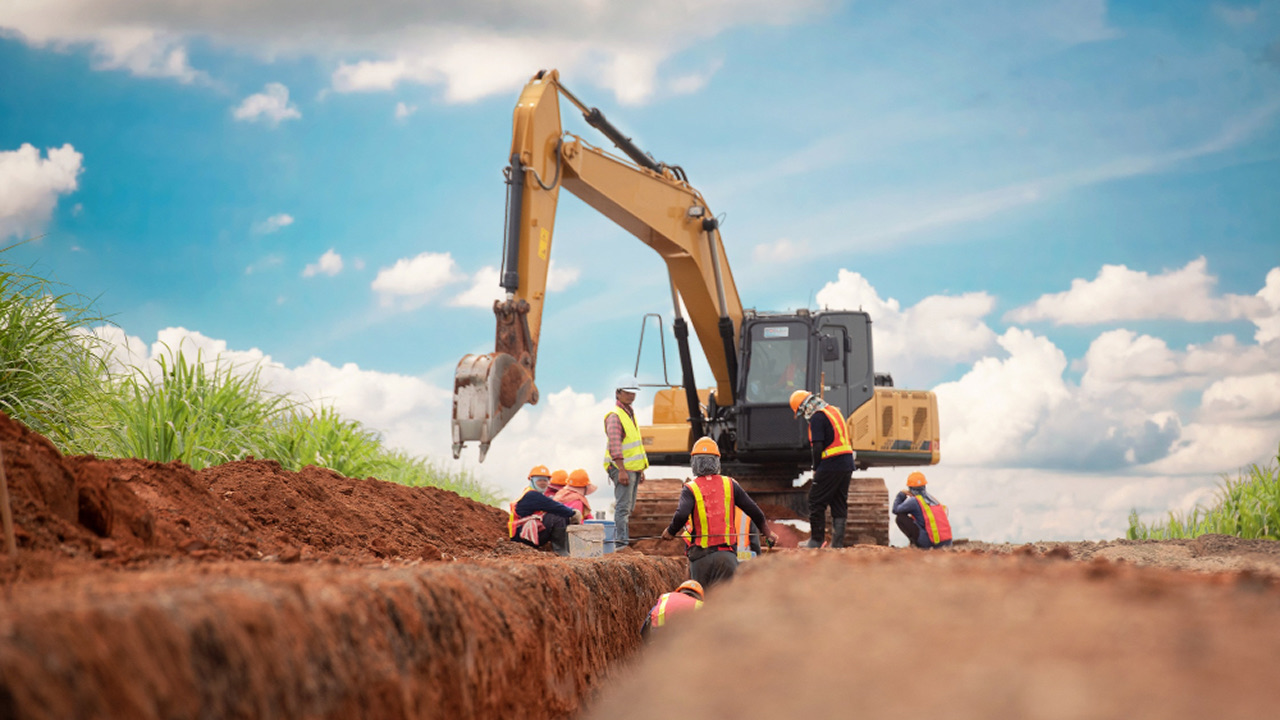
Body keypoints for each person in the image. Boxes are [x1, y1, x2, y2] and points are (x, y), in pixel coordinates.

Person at [661, 436, 778, 590]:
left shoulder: (690, 488)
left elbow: (682, 514)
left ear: (694, 463)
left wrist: (670, 531)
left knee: (702, 603)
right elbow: (754, 510)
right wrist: (768, 532)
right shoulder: (730, 484)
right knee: (723, 606)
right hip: (726, 557)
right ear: (717, 462)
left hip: (701, 558)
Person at [790, 390, 854, 549]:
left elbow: (817, 447)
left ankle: (816, 541)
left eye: (801, 411)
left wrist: (816, 468)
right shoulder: (834, 411)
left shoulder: (817, 418)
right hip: (846, 463)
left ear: (804, 407)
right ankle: (837, 544)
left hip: (831, 464)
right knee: (839, 502)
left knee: (815, 500)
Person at [604, 375, 649, 549]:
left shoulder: (629, 414)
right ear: (618, 393)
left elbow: (634, 447)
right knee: (623, 508)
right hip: (622, 468)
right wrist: (621, 470)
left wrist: (640, 469)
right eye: (628, 392)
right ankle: (621, 544)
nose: (631, 395)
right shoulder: (616, 416)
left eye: (633, 392)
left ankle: (622, 542)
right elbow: (615, 445)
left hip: (632, 468)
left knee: (628, 508)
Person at [509, 464, 582, 555]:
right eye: (539, 480)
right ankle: (560, 550)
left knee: (560, 514)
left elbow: (553, 504)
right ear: (531, 480)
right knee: (557, 516)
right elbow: (554, 506)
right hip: (521, 538)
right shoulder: (532, 495)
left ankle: (564, 548)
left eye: (545, 480)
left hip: (522, 534)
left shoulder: (533, 493)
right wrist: (573, 513)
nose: (543, 482)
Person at [892, 471, 953, 549]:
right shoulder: (933, 499)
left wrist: (901, 495)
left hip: (930, 543)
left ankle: (916, 545)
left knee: (900, 517)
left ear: (909, 487)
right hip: (947, 542)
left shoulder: (914, 501)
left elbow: (895, 510)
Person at [640, 580, 705, 640]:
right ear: (699, 596)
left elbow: (645, 629)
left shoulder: (666, 597)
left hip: (659, 639)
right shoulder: (701, 606)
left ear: (680, 591)